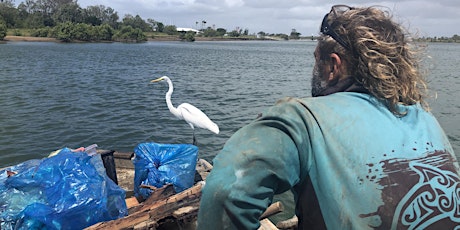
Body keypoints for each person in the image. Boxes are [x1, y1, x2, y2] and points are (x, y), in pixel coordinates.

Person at [197, 5, 460, 230]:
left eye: (316, 60)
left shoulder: (301, 119)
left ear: (333, 65)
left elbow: (224, 192)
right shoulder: (425, 119)